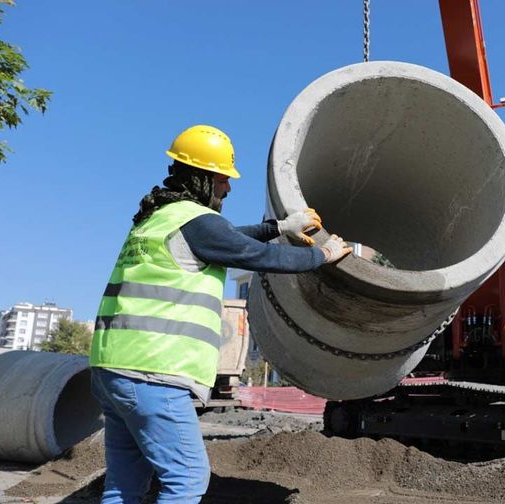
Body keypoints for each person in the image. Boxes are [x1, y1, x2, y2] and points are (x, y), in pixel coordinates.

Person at [88, 124, 352, 504]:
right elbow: (255, 255)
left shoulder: (158, 219)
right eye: (222, 178)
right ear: (202, 178)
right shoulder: (196, 221)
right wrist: (321, 255)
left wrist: (279, 227)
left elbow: (225, 237)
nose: (228, 188)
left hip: (112, 369)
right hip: (153, 373)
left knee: (124, 484)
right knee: (188, 479)